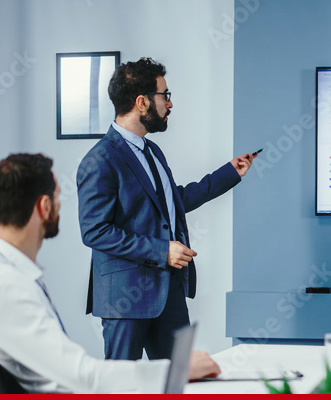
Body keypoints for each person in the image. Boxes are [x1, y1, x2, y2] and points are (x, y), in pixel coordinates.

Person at [0, 154, 221, 393]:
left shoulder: (2, 274)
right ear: (44, 207)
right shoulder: (6, 286)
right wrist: (175, 369)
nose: (60, 207)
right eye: (57, 198)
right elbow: (86, 377)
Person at [77, 58, 256, 361]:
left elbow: (174, 202)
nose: (170, 104)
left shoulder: (152, 151)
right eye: (165, 95)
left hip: (167, 293)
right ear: (142, 102)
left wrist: (229, 173)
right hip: (125, 302)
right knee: (124, 388)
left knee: (179, 382)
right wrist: (163, 250)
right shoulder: (100, 160)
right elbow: (96, 231)